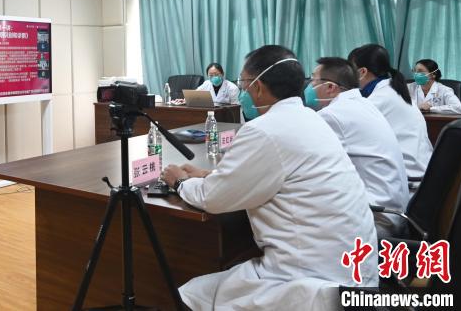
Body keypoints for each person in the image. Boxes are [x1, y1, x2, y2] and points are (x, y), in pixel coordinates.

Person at [163, 45, 377, 310]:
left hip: (313, 281)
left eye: (244, 84)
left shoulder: (264, 130)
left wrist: (180, 182)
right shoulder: (310, 119)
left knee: (190, 295)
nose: (243, 93)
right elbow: (274, 172)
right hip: (355, 271)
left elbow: (213, 198)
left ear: (259, 87)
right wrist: (211, 174)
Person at [305, 57, 409, 237]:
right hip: (392, 210)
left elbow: (306, 164)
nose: (308, 86)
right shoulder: (362, 104)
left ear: (330, 87)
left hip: (376, 218)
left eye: (313, 80)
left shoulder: (333, 115)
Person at [348, 44, 433, 179]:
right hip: (421, 170)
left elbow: (348, 130)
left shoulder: (379, 98)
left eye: (350, 71)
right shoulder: (391, 90)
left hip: (408, 176)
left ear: (362, 72)